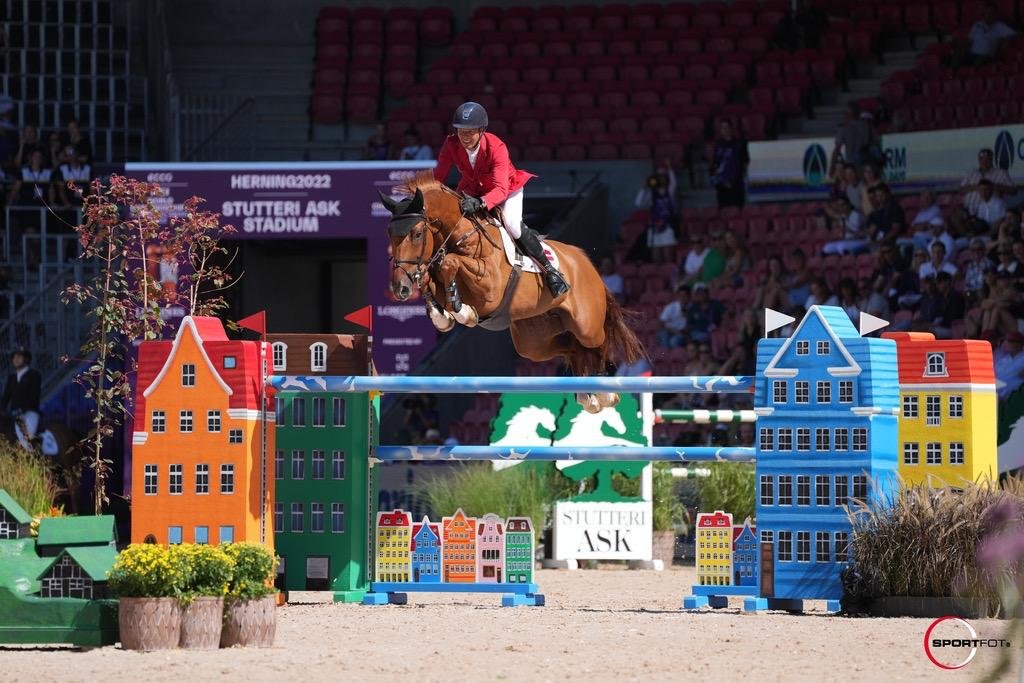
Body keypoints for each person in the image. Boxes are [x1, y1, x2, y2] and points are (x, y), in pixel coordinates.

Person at [433, 101, 569, 296]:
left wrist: (480, 203)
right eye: (461, 130)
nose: (464, 136)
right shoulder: (451, 144)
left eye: (470, 131)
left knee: (512, 224)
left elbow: (500, 189)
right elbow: (439, 176)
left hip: (506, 189)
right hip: (472, 189)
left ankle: (551, 271)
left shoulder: (497, 147)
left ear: (481, 130)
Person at [635, 159, 678, 263]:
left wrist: (669, 168)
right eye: (659, 176)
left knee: (668, 258)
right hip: (655, 228)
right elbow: (638, 203)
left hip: (667, 226)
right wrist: (644, 188)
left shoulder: (669, 192)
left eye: (663, 176)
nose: (661, 178)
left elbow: (674, 183)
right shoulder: (652, 194)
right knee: (656, 259)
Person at [0, 347, 42, 451]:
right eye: (14, 357)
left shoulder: (34, 375)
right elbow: (5, 398)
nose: (16, 359)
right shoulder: (11, 378)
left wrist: (22, 409)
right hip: (14, 414)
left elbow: (34, 396)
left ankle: (34, 456)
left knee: (26, 437)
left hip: (29, 413)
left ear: (26, 359)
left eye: (19, 356)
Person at [961, 148, 1015, 215]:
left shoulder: (1000, 173)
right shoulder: (972, 173)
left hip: (990, 211)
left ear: (992, 159)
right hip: (969, 209)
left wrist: (994, 187)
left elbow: (1013, 191)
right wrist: (976, 187)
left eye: (987, 160)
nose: (984, 162)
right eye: (982, 159)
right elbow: (961, 189)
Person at [710, 120, 749, 209]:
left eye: (727, 127)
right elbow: (716, 163)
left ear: (731, 129)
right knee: (724, 209)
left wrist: (734, 178)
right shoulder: (718, 145)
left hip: (736, 182)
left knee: (738, 207)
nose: (725, 130)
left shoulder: (740, 143)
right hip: (722, 183)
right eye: (722, 128)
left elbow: (745, 161)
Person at [832, 104, 879, 168]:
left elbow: (837, 149)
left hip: (850, 165)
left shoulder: (843, 128)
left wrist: (832, 167)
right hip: (865, 164)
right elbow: (875, 141)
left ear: (848, 114)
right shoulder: (868, 126)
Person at [995, 332, 1024, 400]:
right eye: (1005, 341)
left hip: (1013, 395)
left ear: (1018, 344)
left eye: (1009, 341)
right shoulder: (1004, 359)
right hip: (996, 391)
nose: (1005, 343)